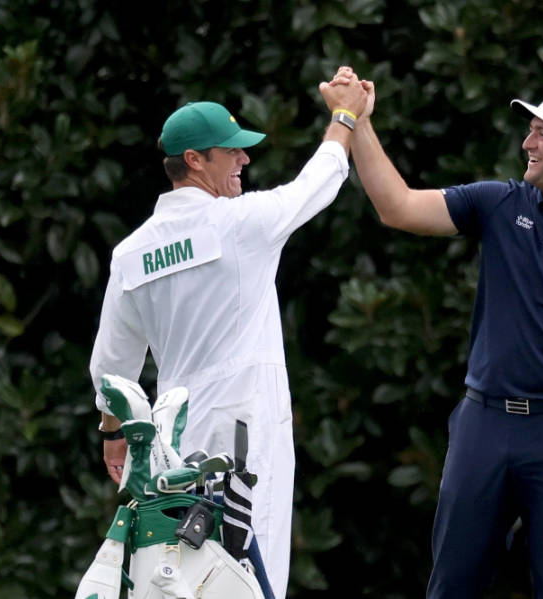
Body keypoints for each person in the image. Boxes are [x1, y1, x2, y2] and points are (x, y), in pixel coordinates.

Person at [329, 67, 543, 598]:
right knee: (451, 588)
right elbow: (396, 208)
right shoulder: (499, 203)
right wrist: (359, 124)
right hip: (483, 425)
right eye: (530, 128)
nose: (527, 142)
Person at [89, 74, 367, 599]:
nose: (243, 161)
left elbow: (112, 369)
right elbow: (320, 181)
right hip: (246, 434)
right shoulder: (242, 223)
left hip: (175, 441)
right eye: (231, 152)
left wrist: (113, 432)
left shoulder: (131, 253)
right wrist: (344, 117)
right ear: (195, 160)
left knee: (180, 581)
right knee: (251, 579)